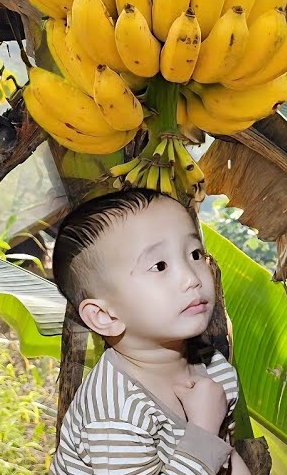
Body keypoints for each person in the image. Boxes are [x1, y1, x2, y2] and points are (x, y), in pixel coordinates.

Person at [49, 188, 247, 475]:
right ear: (105, 316)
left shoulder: (215, 368)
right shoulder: (115, 414)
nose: (191, 278)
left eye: (194, 254)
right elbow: (210, 446)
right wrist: (204, 430)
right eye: (160, 266)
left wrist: (211, 434)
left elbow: (224, 456)